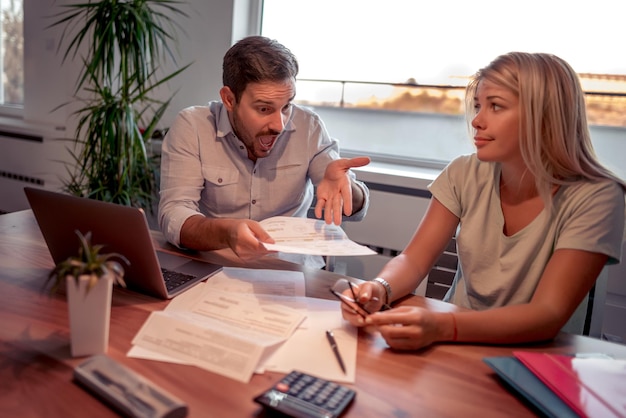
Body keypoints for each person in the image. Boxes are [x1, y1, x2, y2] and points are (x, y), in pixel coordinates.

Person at [340, 52, 626, 350]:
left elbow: (547, 315)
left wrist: (442, 325)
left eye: (496, 106)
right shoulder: (463, 171)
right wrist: (378, 289)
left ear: (544, 115)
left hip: (536, 359)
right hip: (453, 342)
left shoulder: (599, 195)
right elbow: (412, 260)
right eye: (478, 106)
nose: (477, 120)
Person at [158, 36, 370, 267]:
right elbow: (174, 214)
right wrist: (226, 233)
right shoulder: (193, 127)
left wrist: (348, 189)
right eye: (264, 108)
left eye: (286, 106)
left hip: (294, 270)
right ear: (229, 99)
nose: (279, 125)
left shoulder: (309, 127)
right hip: (217, 269)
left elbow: (354, 206)